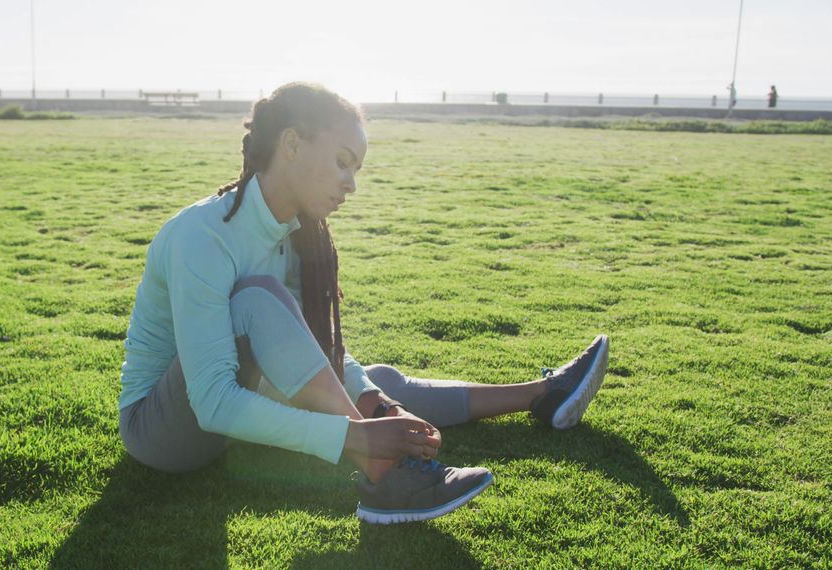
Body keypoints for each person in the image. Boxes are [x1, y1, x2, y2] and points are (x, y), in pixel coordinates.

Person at [117, 82, 610, 524]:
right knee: (257, 300)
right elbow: (213, 403)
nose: (351, 184)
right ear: (291, 144)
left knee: (376, 382)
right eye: (342, 162)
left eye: (357, 169)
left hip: (231, 404)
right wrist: (353, 436)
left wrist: (376, 404)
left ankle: (540, 395)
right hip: (163, 430)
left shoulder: (296, 236)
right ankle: (383, 475)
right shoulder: (203, 236)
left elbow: (321, 348)